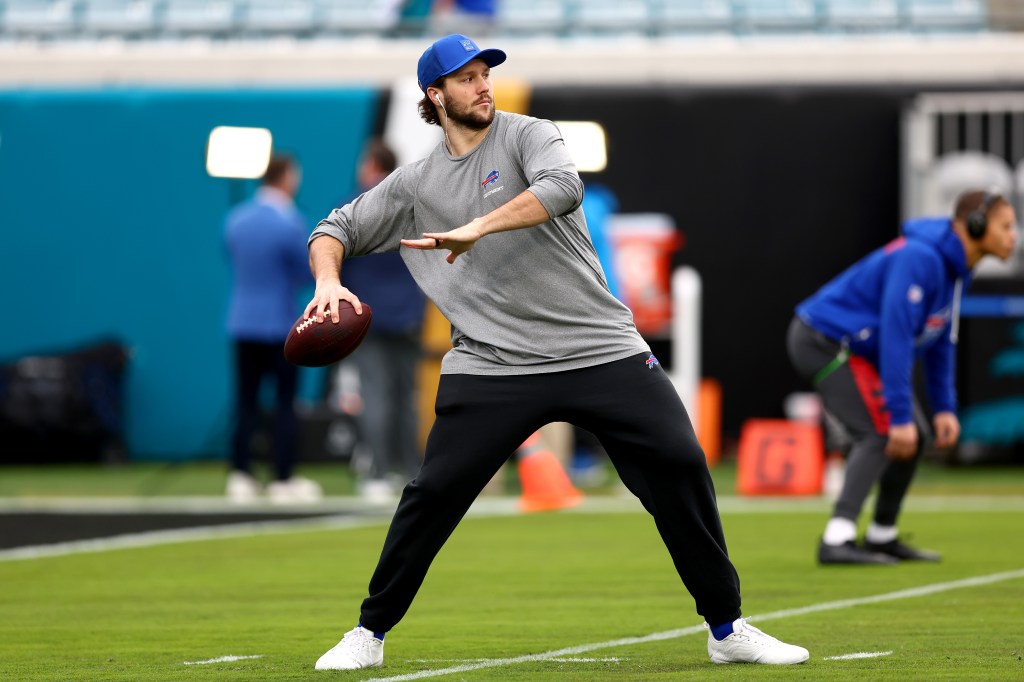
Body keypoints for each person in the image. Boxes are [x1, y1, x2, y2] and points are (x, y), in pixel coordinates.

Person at [305, 34, 809, 669]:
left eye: (485, 72)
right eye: (465, 78)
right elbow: (334, 229)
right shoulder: (415, 183)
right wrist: (329, 280)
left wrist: (479, 225)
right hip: (495, 362)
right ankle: (368, 634)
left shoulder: (529, 133)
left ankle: (728, 628)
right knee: (433, 495)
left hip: (598, 347)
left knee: (681, 465)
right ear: (435, 95)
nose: (482, 84)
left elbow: (562, 188)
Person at [788, 190, 1018, 565]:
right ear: (975, 225)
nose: (1014, 236)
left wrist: (944, 407)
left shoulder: (955, 270)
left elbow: (940, 338)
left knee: (917, 434)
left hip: (860, 350)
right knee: (881, 432)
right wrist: (898, 416)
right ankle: (837, 538)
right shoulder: (920, 258)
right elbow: (897, 336)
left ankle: (881, 535)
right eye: (1006, 226)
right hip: (823, 341)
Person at [223, 153, 323, 504]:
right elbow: (303, 270)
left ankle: (240, 474)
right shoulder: (291, 222)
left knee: (245, 401)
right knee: (284, 404)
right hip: (280, 324)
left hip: (242, 323)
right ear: (286, 178)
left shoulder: (235, 220)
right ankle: (282, 478)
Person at [333, 138, 426, 501]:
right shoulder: (413, 204)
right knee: (406, 398)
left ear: (372, 165)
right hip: (408, 315)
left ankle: (378, 473)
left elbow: (332, 254)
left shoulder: (352, 204)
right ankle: (413, 473)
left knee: (375, 396)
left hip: (364, 316)